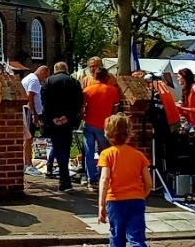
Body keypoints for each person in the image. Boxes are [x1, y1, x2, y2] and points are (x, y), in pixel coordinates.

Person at [97, 113, 156, 247]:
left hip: (115, 201)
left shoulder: (107, 154)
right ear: (129, 133)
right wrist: (141, 195)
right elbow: (149, 182)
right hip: (136, 200)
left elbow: (104, 179)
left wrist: (101, 205)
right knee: (137, 239)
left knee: (117, 234)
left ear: (108, 134)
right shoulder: (139, 156)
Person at [41, 62, 84, 193]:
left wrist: (53, 118)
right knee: (65, 148)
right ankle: (65, 181)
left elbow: (44, 102)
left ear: (55, 70)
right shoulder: (74, 82)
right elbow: (78, 102)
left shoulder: (48, 82)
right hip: (68, 122)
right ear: (66, 69)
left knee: (58, 148)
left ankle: (64, 179)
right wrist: (67, 117)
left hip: (53, 122)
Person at [83, 68, 122, 188]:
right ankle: (103, 176)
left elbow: (82, 108)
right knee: (104, 152)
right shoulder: (113, 90)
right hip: (104, 124)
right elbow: (116, 108)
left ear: (95, 77)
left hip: (89, 123)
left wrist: (84, 115)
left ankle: (91, 179)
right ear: (106, 77)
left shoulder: (87, 90)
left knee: (89, 152)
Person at [21, 66, 49, 176]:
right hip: (29, 111)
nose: (44, 79)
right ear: (42, 72)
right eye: (45, 76)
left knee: (28, 138)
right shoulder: (34, 80)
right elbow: (30, 97)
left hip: (28, 110)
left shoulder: (30, 77)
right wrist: (34, 114)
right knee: (28, 138)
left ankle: (27, 162)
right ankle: (28, 164)